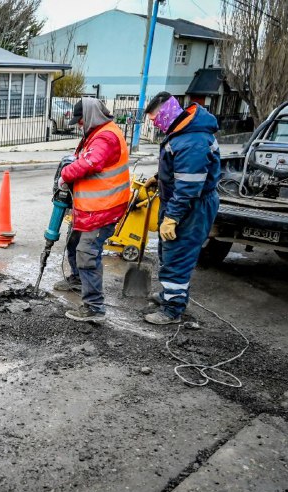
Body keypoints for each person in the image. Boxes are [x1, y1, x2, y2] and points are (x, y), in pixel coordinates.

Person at [142, 92, 220, 325]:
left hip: (191, 206)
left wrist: (172, 217)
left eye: (155, 118)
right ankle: (170, 295)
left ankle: (172, 309)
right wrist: (160, 177)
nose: (154, 123)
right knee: (168, 252)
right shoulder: (182, 132)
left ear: (166, 113)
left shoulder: (192, 140)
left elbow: (188, 186)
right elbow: (180, 170)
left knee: (178, 255)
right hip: (179, 201)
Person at [56, 97, 131, 323]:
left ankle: (94, 307)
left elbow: (91, 163)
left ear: (89, 117)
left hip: (103, 209)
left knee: (87, 253)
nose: (79, 125)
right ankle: (78, 279)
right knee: (73, 242)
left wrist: (66, 175)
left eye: (80, 121)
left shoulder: (106, 137)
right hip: (89, 209)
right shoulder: (97, 133)